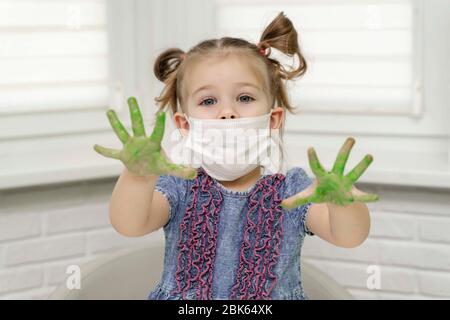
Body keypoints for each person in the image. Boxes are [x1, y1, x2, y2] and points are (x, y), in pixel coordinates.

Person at [93, 12, 379, 300]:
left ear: (272, 119)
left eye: (244, 98)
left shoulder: (293, 191)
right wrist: (138, 176)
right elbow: (129, 225)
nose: (227, 112)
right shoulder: (179, 186)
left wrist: (344, 202)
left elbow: (348, 237)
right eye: (208, 101)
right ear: (184, 124)